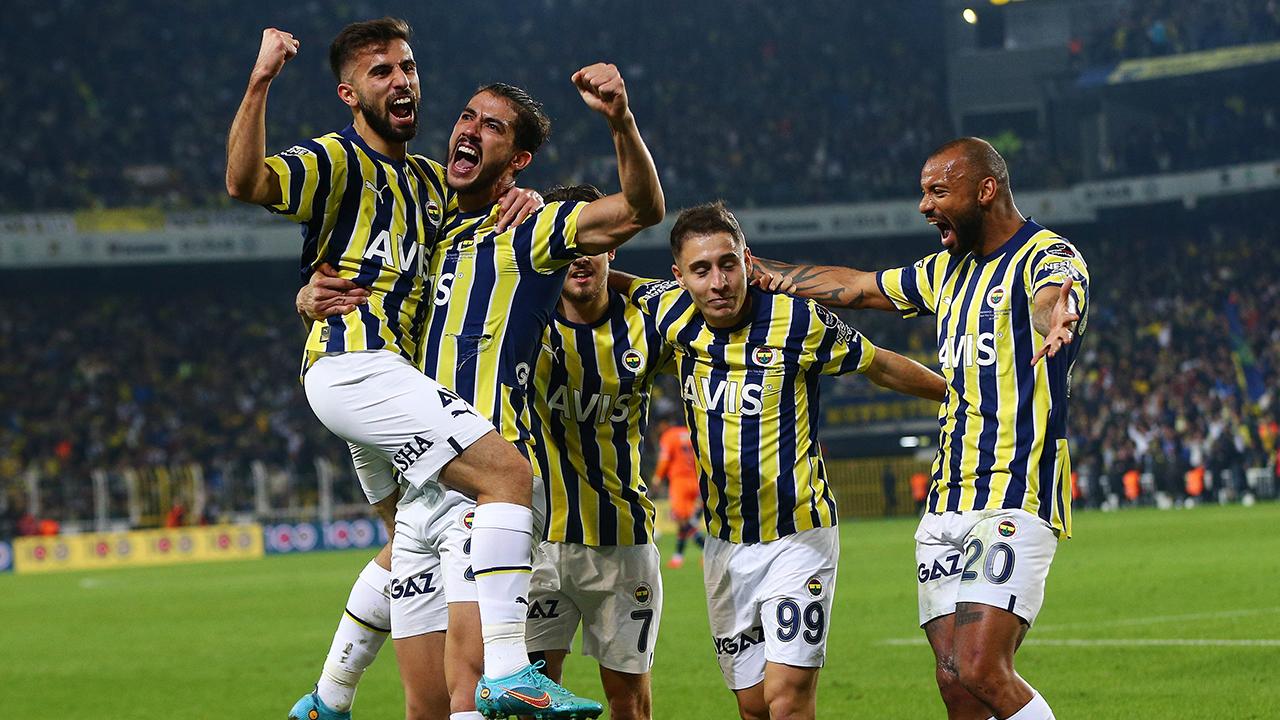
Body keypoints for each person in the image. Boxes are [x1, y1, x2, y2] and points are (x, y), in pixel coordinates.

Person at [224, 18, 605, 720]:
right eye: (381, 72)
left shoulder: (431, 181)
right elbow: (246, 181)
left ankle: (329, 698)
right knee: (508, 475)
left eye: (407, 67)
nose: (401, 81)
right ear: (349, 94)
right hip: (356, 365)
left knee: (406, 534)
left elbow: (484, 196)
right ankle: (509, 671)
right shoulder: (336, 160)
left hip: (392, 381)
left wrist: (525, 195)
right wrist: (261, 81)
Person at [297, 60, 665, 719]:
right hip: (422, 483)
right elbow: (362, 294)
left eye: (492, 126)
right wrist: (310, 297)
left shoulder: (530, 228)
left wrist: (621, 121)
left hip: (486, 485)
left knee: (471, 694)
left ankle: (358, 692)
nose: (469, 128)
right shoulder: (425, 223)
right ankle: (330, 696)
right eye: (467, 116)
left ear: (517, 160)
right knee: (426, 706)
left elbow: (641, 209)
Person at [753, 137, 1089, 720]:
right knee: (956, 682)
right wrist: (761, 271)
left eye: (938, 191)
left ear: (985, 190)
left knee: (983, 668)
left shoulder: (1046, 254)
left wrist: (1055, 316)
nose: (924, 206)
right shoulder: (944, 272)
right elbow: (859, 287)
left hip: (1015, 489)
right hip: (946, 500)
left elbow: (1051, 296)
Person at [615, 202, 947, 720]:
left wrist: (959, 397)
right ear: (679, 277)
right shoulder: (669, 311)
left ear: (747, 260)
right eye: (701, 270)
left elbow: (878, 364)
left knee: (788, 700)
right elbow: (617, 281)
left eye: (728, 264)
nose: (719, 282)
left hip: (798, 536)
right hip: (724, 544)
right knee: (753, 707)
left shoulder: (797, 320)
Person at [521, 183, 672, 720]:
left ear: (613, 247)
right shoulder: (521, 318)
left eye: (592, 243)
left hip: (623, 543)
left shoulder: (649, 322)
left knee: (629, 703)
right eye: (568, 244)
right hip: (536, 543)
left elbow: (703, 301)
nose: (580, 257)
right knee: (531, 700)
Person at [650, 417, 703, 568]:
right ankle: (678, 557)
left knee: (683, 521)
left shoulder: (669, 436)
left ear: (664, 423)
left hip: (679, 482)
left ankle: (707, 550)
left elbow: (664, 459)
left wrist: (657, 478)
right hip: (695, 480)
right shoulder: (690, 432)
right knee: (686, 521)